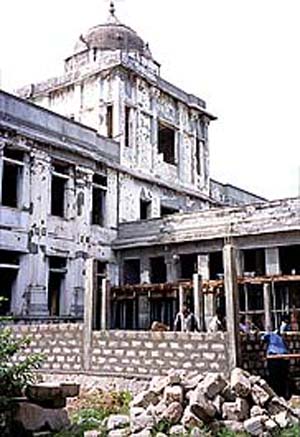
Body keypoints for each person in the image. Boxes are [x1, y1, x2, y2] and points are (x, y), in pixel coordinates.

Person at [262, 330, 290, 399]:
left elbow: (262, 338)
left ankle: (276, 394)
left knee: (274, 378)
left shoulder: (269, 335)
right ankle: (284, 395)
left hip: (273, 358)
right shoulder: (281, 338)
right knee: (283, 378)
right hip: (284, 358)